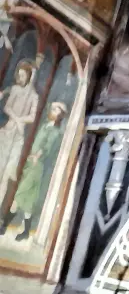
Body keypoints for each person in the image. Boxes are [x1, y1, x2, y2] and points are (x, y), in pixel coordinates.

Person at [2, 102, 68, 241]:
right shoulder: (44, 126)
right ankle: (25, 231)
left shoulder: (55, 131)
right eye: (52, 108)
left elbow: (47, 146)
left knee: (19, 194)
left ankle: (3, 226)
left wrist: (37, 155)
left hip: (37, 165)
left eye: (56, 110)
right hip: (29, 163)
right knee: (27, 202)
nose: (52, 111)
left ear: (60, 115)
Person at [0, 60, 39, 206]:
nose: (20, 78)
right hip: (7, 131)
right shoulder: (16, 89)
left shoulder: (34, 96)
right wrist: (17, 120)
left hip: (18, 137)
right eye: (20, 75)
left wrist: (21, 121)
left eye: (23, 75)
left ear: (30, 76)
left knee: (6, 175)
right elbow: (7, 107)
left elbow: (32, 117)